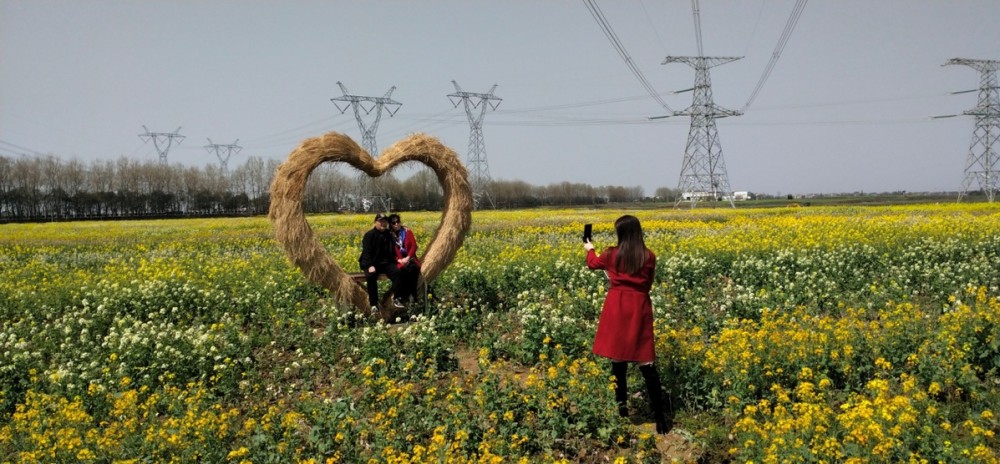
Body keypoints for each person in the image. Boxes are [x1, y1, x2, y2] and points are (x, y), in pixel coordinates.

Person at [583, 215, 668, 434]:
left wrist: (589, 247)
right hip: (639, 306)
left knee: (618, 362)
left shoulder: (612, 254)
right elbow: (647, 284)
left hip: (617, 307)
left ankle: (622, 414)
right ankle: (661, 419)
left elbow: (592, 264)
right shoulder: (649, 257)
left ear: (621, 233)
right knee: (646, 363)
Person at [359, 213, 403, 314]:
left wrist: (397, 260)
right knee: (371, 276)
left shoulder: (388, 234)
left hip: (385, 263)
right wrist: (370, 265)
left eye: (385, 221)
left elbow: (398, 232)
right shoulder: (369, 235)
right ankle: (374, 304)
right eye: (381, 221)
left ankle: (396, 298)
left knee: (397, 272)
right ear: (375, 223)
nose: (383, 223)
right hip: (372, 263)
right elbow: (366, 252)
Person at [388, 213, 421, 304]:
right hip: (399, 261)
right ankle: (403, 296)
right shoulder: (389, 235)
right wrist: (399, 260)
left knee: (414, 268)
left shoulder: (407, 231)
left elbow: (414, 245)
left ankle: (413, 295)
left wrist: (408, 257)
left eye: (398, 222)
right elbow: (389, 251)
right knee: (401, 271)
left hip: (410, 258)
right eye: (393, 223)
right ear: (390, 224)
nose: (396, 224)